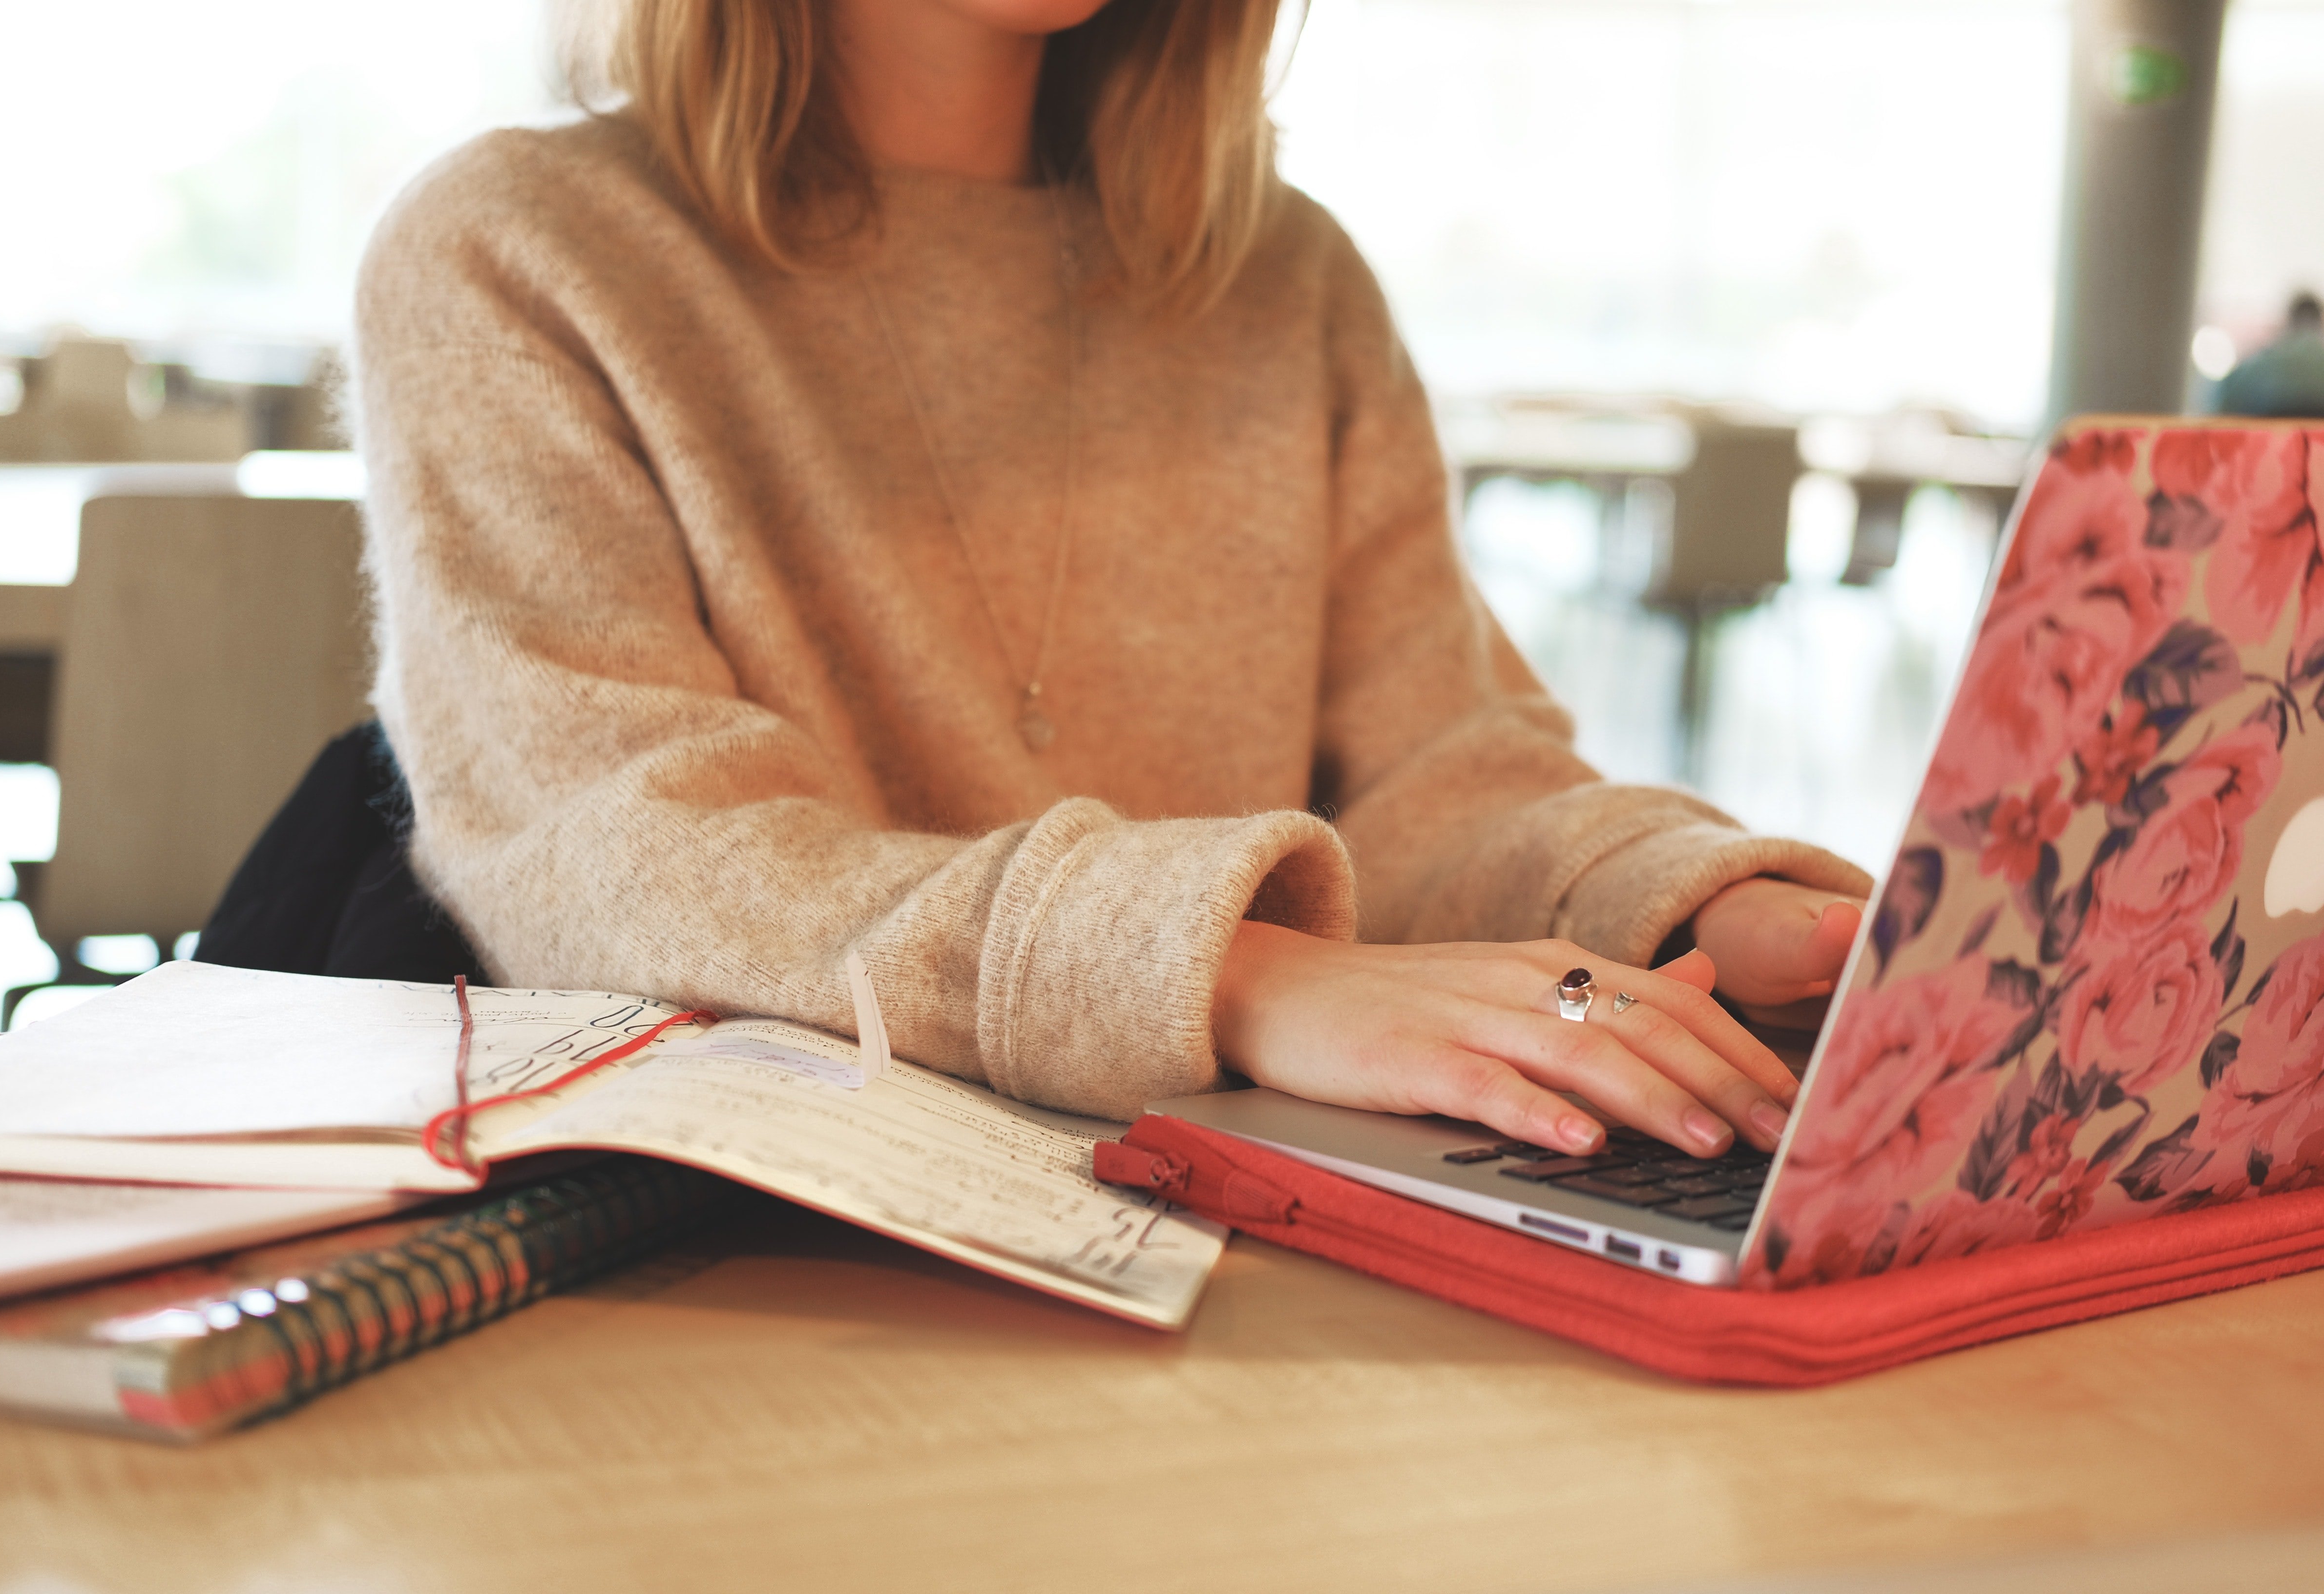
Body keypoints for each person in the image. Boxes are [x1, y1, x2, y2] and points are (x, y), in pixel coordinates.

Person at [351, 0, 1871, 1164]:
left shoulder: (1288, 281)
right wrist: (1235, 974)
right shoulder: (516, 250)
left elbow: (1433, 775)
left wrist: (1693, 915)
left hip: (1244, 1231)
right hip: (757, 1282)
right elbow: (626, 855)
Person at [2216, 292, 2324, 419]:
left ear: (2290, 320)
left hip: (2268, 432)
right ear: (2319, 321)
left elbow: (2225, 403)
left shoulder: (2261, 363)